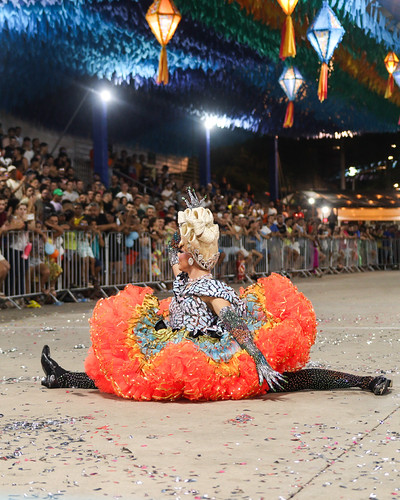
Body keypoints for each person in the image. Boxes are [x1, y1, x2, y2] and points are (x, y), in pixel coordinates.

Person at [40, 190, 392, 400]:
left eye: (183, 249)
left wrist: (260, 359)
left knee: (289, 382)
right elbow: (173, 253)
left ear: (193, 257)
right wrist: (187, 222)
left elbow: (236, 325)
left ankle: (362, 382)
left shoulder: (211, 289)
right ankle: (62, 377)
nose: (176, 253)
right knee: (129, 373)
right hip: (175, 340)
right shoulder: (183, 277)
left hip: (211, 353)